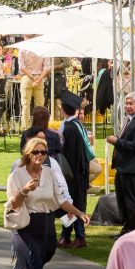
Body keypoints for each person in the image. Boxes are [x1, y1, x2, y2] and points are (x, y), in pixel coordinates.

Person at [5, 137, 90, 269]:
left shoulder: (49, 172)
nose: (40, 155)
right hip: (26, 227)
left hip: (46, 226)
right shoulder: (17, 175)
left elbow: (59, 200)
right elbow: (14, 204)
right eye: (36, 152)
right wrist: (24, 191)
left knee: (39, 260)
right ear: (28, 154)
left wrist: (79, 213)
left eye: (43, 152)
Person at [107, 91, 135, 237]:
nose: (128, 106)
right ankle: (126, 228)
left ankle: (133, 230)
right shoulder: (129, 119)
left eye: (131, 103)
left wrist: (116, 141)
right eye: (126, 103)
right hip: (122, 167)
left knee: (131, 201)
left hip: (132, 168)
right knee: (122, 200)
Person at [57, 92, 90, 249]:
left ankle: (79, 235)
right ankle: (66, 235)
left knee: (72, 203)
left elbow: (65, 152)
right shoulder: (78, 125)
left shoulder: (68, 127)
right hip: (80, 170)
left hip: (71, 172)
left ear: (63, 109)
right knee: (75, 202)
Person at [19, 47, 51, 130]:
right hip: (39, 77)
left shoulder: (22, 48)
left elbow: (21, 67)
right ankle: (39, 126)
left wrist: (32, 77)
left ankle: (25, 128)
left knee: (25, 104)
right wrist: (39, 78)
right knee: (40, 105)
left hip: (27, 77)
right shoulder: (43, 48)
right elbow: (47, 67)